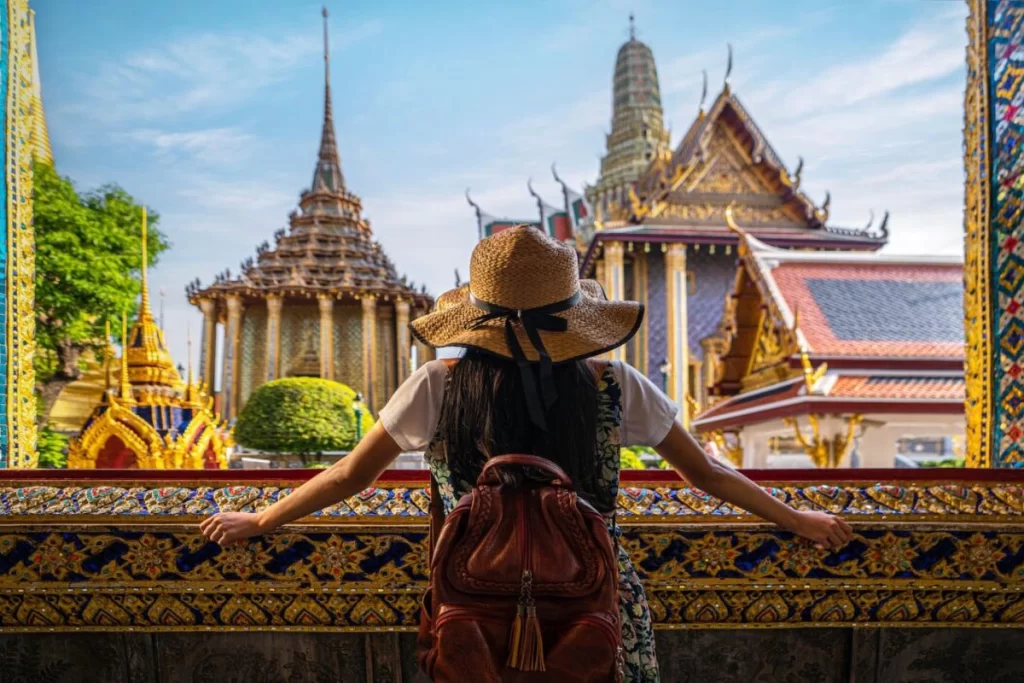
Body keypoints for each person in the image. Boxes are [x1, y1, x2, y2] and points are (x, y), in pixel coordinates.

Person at [201, 226, 853, 683]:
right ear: (571, 314)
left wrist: (258, 522)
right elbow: (708, 472)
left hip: (473, 601)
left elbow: (350, 475)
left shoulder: (439, 384)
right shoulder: (613, 386)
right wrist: (801, 520)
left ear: (476, 317)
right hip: (594, 601)